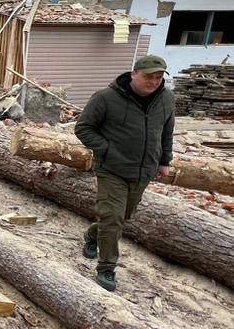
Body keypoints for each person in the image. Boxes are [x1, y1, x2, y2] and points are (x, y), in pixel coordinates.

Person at [73, 54, 174, 292]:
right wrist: (107, 150)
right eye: (149, 77)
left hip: (144, 170)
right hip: (112, 169)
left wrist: (164, 161)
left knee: (121, 217)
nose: (154, 82)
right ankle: (106, 268)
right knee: (113, 217)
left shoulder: (167, 99)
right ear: (134, 74)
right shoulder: (106, 98)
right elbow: (83, 128)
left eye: (159, 77)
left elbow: (167, 131)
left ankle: (93, 235)